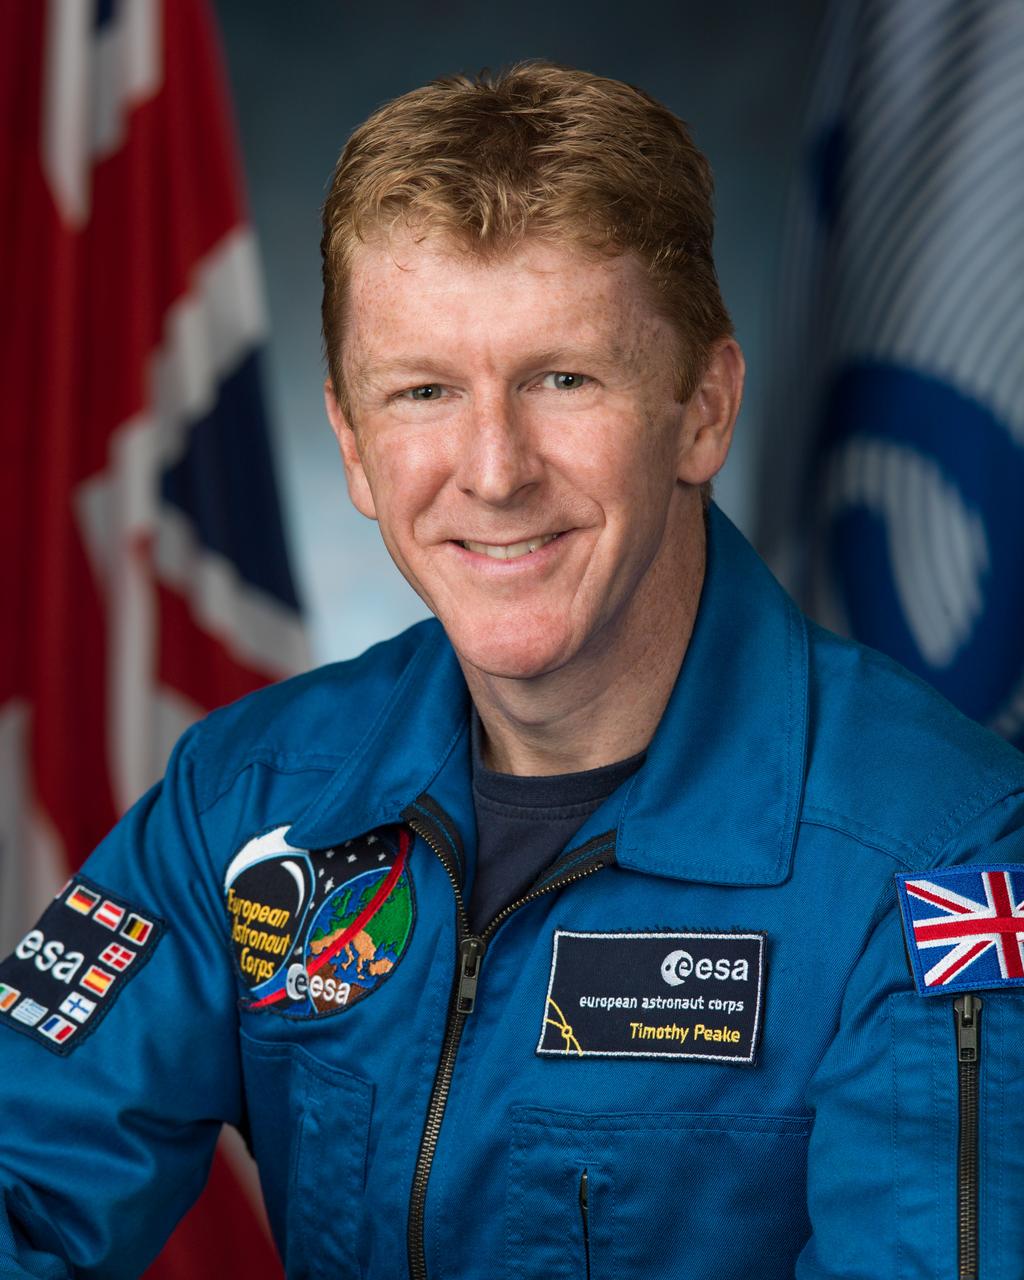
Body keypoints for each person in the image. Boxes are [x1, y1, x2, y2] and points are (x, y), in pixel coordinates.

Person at [1, 61, 1023, 1280]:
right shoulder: (247, 795)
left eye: (561, 379)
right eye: (423, 390)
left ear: (703, 407)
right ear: (353, 446)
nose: (492, 470)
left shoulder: (935, 852)